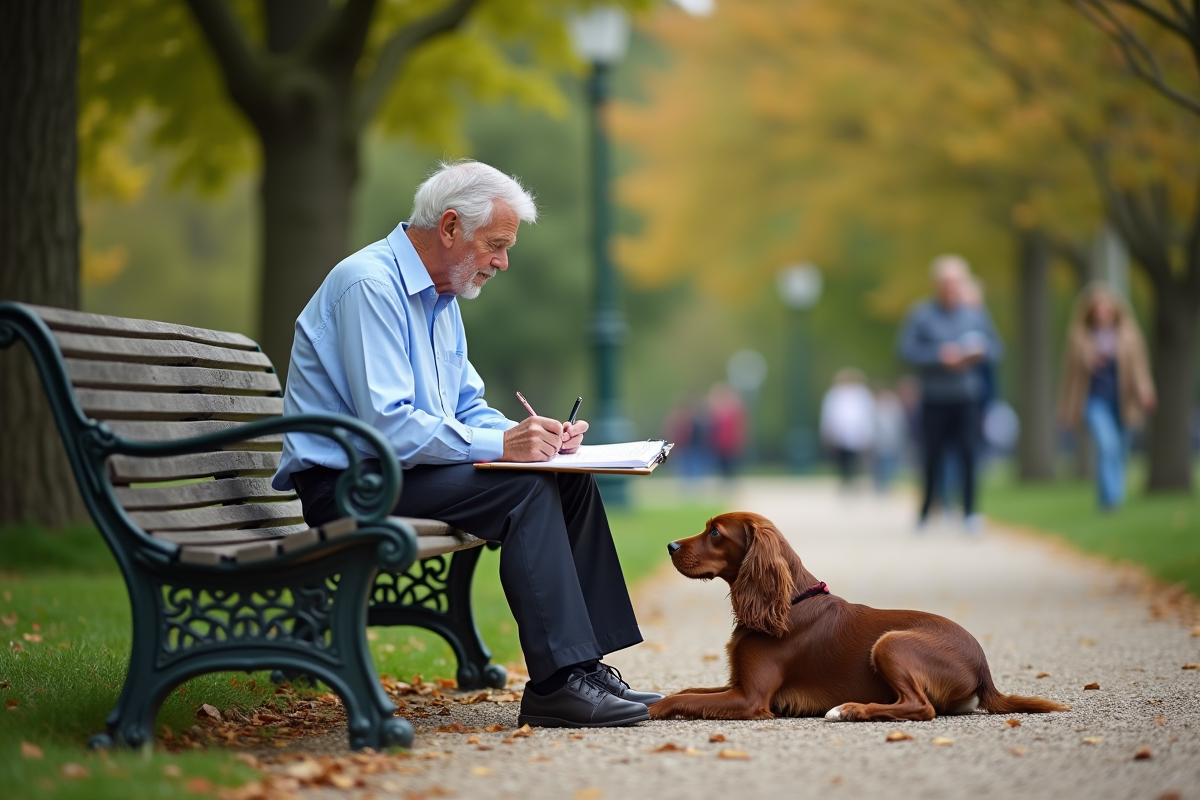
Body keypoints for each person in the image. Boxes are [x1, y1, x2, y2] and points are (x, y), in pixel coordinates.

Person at [271, 160, 659, 728]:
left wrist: (537, 440)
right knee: (524, 492)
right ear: (450, 227)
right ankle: (555, 687)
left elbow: (469, 407)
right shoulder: (370, 285)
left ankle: (585, 670)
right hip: (348, 484)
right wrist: (504, 444)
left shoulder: (442, 297)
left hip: (398, 474)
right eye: (496, 245)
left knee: (562, 479)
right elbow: (389, 427)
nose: (502, 261)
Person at [898, 255, 1002, 532]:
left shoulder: (975, 315)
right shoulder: (921, 314)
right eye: (945, 282)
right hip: (934, 397)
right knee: (931, 456)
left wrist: (975, 353)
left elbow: (995, 348)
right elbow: (905, 350)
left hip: (967, 396)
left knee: (969, 454)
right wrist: (938, 357)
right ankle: (926, 512)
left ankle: (970, 512)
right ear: (936, 284)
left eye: (955, 282)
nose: (950, 287)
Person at [1058, 283, 1156, 510]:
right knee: (1107, 445)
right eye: (1097, 308)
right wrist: (1064, 407)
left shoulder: (1129, 334)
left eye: (1106, 308)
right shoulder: (1079, 336)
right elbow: (1069, 375)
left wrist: (1146, 392)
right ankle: (1113, 500)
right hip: (1093, 400)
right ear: (1090, 311)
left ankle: (1105, 499)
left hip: (1123, 400)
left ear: (1115, 310)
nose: (1102, 312)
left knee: (1119, 451)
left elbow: (1140, 367)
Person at [818, 368, 875, 489]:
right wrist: (828, 431)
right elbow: (829, 414)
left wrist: (867, 432)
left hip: (856, 432)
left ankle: (853, 480)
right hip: (841, 433)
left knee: (855, 459)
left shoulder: (861, 393)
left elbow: (867, 414)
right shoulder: (834, 393)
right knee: (842, 459)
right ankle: (845, 480)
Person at [872, 383, 908, 493]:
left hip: (890, 438)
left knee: (889, 460)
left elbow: (899, 422)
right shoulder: (874, 406)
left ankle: (886, 483)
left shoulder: (892, 405)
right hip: (879, 439)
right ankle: (880, 483)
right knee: (879, 462)